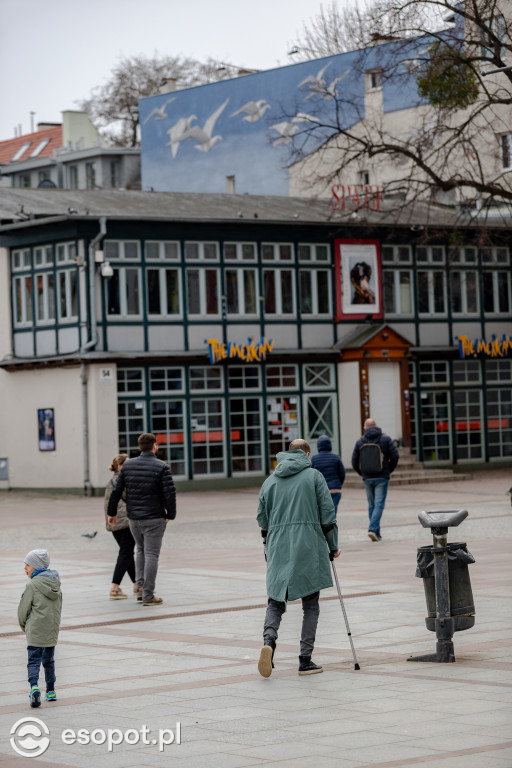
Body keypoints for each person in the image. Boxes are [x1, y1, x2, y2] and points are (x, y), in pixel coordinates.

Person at [257, 438, 340, 678]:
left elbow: (262, 519)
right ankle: (305, 660)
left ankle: (269, 643)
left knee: (275, 600)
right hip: (308, 545)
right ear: (306, 453)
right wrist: (333, 546)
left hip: (278, 545)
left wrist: (267, 544)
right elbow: (328, 514)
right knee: (311, 604)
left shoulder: (270, 481)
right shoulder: (314, 476)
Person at [108, 433, 176, 606]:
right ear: (154, 446)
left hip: (134, 518)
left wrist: (112, 513)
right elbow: (169, 493)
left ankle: (139, 589)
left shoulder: (128, 466)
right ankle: (148, 594)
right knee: (152, 554)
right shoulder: (162, 466)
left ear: (139, 447)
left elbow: (116, 491)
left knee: (140, 550)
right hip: (154, 517)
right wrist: (170, 514)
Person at [18, 549, 62, 707]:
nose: (25, 568)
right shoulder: (57, 586)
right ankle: (50, 690)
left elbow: (23, 610)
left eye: (27, 565)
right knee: (49, 661)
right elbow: (58, 609)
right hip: (51, 631)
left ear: (36, 567)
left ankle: (34, 687)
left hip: (35, 632)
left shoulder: (32, 586)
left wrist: (25, 626)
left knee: (33, 661)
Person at [351, 418, 399, 542]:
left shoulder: (360, 441)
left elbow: (354, 461)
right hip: (382, 476)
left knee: (372, 505)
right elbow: (395, 456)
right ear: (376, 425)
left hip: (367, 477)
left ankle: (376, 533)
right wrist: (388, 470)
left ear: (364, 427)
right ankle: (373, 529)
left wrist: (362, 473)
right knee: (379, 504)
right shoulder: (386, 439)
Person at [104, 453, 137, 600]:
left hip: (114, 523)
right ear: (120, 466)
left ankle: (137, 584)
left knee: (127, 553)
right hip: (126, 522)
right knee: (125, 553)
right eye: (128, 463)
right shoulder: (126, 480)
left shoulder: (111, 481)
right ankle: (115, 587)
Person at [311, 435, 346, 518]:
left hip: (321, 491)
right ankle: (331, 528)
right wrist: (338, 485)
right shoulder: (336, 457)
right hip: (335, 489)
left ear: (318, 445)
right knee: (333, 511)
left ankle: (324, 529)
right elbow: (342, 473)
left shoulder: (314, 459)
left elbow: (311, 475)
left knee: (322, 512)